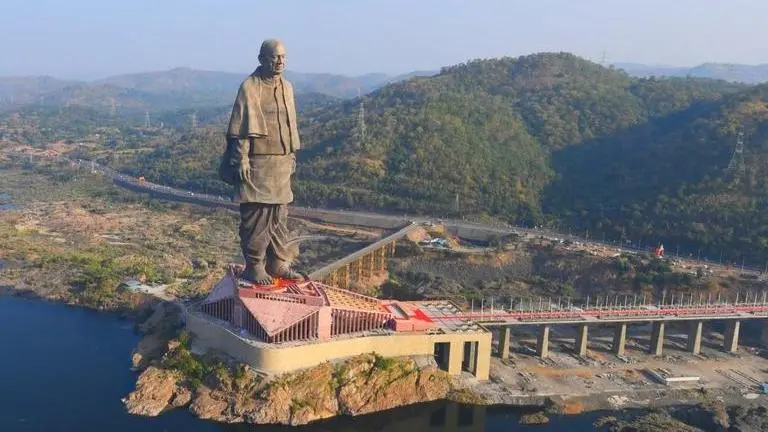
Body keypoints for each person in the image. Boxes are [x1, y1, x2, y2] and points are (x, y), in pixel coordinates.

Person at [221, 39, 302, 285]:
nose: (280, 62)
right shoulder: (250, 87)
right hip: (257, 161)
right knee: (258, 214)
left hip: (281, 161)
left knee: (279, 214)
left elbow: (288, 126)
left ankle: (278, 261)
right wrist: (242, 159)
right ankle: (254, 265)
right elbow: (241, 130)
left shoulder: (287, 86)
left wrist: (291, 155)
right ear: (261, 59)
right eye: (275, 57)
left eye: (283, 57)